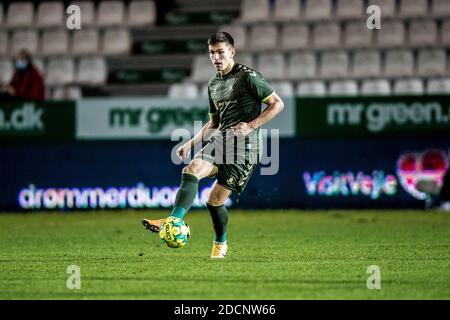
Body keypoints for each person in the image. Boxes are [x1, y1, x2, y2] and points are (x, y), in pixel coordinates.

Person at [141, 32, 284, 258]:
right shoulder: (213, 83)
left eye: (220, 52)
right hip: (222, 141)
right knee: (191, 169)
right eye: (211, 53)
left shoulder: (248, 77)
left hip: (245, 149)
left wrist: (252, 125)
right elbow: (214, 123)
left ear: (232, 52)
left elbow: (277, 104)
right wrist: (190, 144)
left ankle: (220, 243)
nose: (216, 57)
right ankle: (174, 220)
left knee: (214, 201)